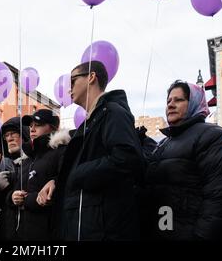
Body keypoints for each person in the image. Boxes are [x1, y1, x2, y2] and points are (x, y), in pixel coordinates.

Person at [38, 61, 144, 241]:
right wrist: (57, 181)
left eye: (72, 81)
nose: (68, 89)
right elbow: (88, 161)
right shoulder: (88, 123)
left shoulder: (113, 112)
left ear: (91, 78)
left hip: (102, 230)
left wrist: (76, 174)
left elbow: (128, 159)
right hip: (82, 226)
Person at [143, 80, 222, 240]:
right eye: (168, 101)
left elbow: (220, 199)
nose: (170, 105)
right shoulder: (164, 143)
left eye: (179, 100)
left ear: (195, 103)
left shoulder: (212, 136)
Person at [5, 109, 70, 240]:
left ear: (53, 128)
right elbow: (14, 191)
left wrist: (27, 199)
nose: (32, 129)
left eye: (38, 125)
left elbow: (65, 186)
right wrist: (12, 197)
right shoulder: (27, 158)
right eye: (30, 126)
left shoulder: (62, 152)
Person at [0, 117, 30, 241]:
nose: (9, 138)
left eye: (14, 133)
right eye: (6, 135)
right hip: (5, 231)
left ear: (25, 134)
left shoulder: (36, 162)